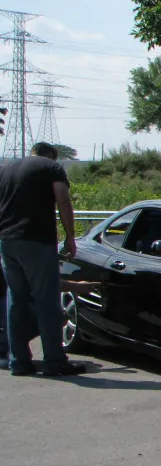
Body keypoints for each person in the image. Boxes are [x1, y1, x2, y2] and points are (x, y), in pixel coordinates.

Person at [0, 142, 86, 376]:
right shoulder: (51, 167)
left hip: (7, 241)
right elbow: (63, 199)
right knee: (46, 300)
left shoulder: (6, 168)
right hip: (36, 240)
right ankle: (55, 361)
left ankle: (18, 361)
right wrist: (70, 236)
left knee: (15, 299)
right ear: (51, 156)